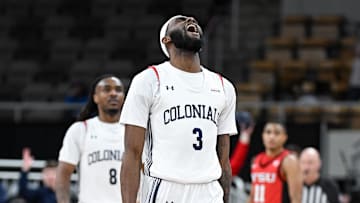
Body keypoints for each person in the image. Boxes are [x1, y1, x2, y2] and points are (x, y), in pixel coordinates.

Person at [120, 15, 237, 203]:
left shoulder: (224, 86)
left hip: (209, 190)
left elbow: (223, 159)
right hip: (166, 187)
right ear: (166, 40)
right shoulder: (149, 80)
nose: (190, 19)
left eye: (191, 20)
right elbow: (132, 154)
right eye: (180, 20)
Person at [56, 75, 125, 203]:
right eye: (107, 89)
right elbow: (63, 174)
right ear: (95, 97)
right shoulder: (81, 130)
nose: (113, 93)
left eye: (118, 90)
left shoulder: (134, 132)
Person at [248, 122, 302, 203]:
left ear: (285, 137)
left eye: (277, 133)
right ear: (263, 135)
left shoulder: (289, 161)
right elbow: (252, 195)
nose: (271, 137)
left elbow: (296, 198)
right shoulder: (255, 160)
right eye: (268, 132)